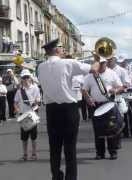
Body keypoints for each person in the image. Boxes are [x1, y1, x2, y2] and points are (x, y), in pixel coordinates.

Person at [38, 38, 99, 180]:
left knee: (54, 148)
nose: (64, 50)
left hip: (51, 110)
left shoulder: (40, 67)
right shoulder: (68, 63)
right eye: (62, 47)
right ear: (57, 49)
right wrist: (97, 57)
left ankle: (56, 177)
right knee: (70, 148)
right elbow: (94, 69)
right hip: (68, 110)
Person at [82, 57, 124, 160]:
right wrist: (88, 99)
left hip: (109, 103)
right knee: (97, 130)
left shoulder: (112, 73)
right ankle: (100, 153)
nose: (101, 65)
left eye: (103, 63)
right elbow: (84, 89)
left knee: (111, 128)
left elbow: (121, 87)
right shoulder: (90, 75)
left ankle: (112, 152)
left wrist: (115, 90)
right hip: (95, 105)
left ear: (106, 63)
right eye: (99, 63)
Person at [14, 69, 41, 161]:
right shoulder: (19, 91)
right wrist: (17, 109)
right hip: (23, 115)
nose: (25, 79)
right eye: (24, 78)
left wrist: (36, 102)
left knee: (34, 136)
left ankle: (34, 154)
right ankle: (25, 154)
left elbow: (38, 100)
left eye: (27, 77)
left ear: (30, 78)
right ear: (21, 79)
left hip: (32, 114)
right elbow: (15, 102)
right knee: (24, 137)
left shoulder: (35, 88)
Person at [116, 56, 132, 139]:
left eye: (123, 61)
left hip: (129, 91)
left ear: (126, 60)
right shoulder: (117, 69)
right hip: (120, 91)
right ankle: (125, 133)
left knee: (131, 112)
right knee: (122, 112)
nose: (122, 63)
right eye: (120, 62)